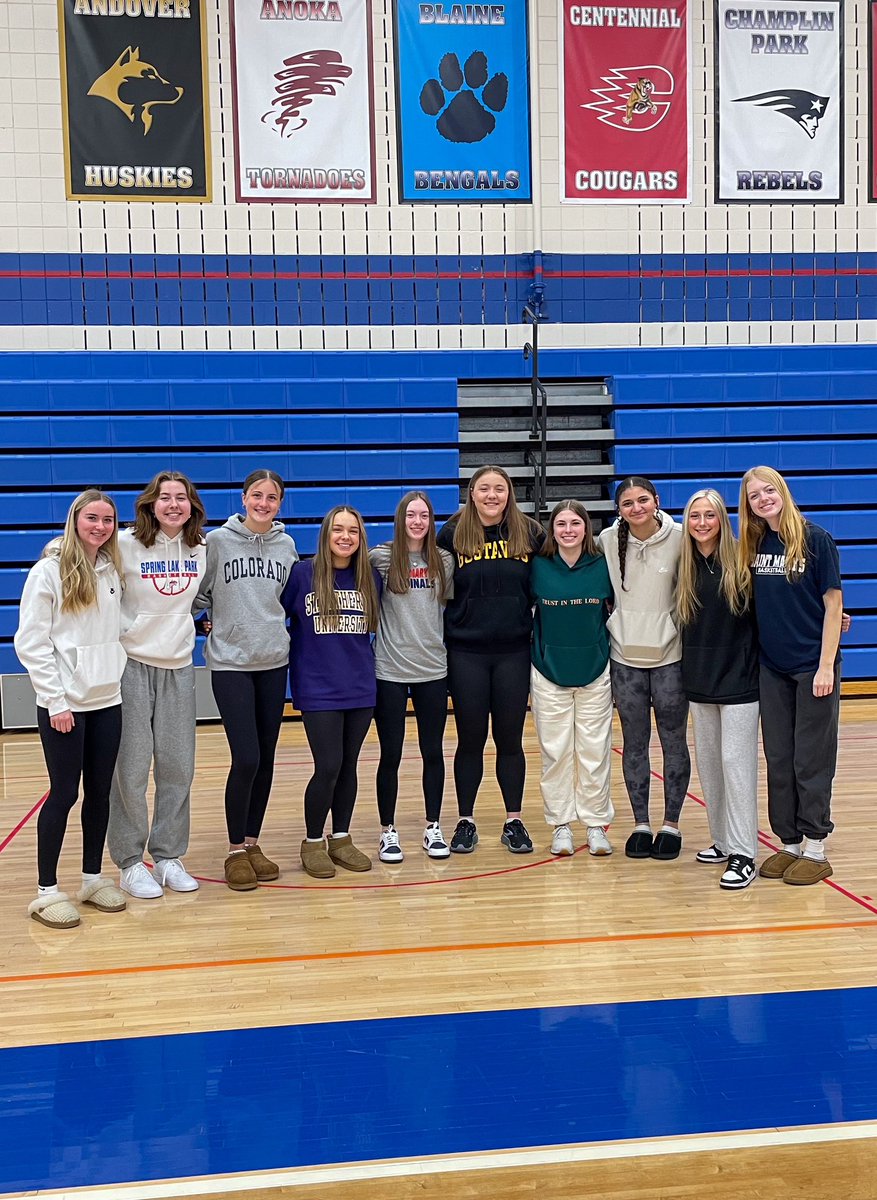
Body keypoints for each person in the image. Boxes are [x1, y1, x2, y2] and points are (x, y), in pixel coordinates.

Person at [15, 490, 128, 928]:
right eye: (92, 518)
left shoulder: (111, 571)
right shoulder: (49, 571)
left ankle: (93, 878)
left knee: (100, 795)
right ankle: (46, 892)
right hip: (64, 706)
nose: (100, 526)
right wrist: (56, 700)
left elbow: (118, 627)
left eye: (107, 520)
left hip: (107, 700)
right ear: (75, 520)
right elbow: (31, 643)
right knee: (64, 794)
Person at [739, 466, 843, 885]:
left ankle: (816, 846)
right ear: (747, 505)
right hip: (772, 667)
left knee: (810, 759)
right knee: (779, 759)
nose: (763, 499)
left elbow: (833, 605)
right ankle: (790, 842)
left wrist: (824, 665)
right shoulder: (755, 543)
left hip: (812, 667)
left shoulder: (815, 539)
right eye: (754, 495)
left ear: (782, 490)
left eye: (768, 490)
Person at [194, 470, 298, 892]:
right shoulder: (217, 542)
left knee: (268, 758)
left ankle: (253, 843)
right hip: (231, 663)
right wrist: (205, 621)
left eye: (272, 497)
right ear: (243, 497)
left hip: (274, 661)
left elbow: (287, 599)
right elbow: (195, 594)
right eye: (257, 495)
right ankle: (235, 848)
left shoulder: (287, 546)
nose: (264, 503)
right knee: (248, 757)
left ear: (280, 503)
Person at [107, 472, 207, 899]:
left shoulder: (202, 547)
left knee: (177, 767)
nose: (172, 505)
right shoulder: (126, 544)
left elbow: (209, 595)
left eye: (180, 498)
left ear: (192, 506)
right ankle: (130, 861)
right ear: (150, 504)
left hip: (179, 666)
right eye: (164, 497)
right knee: (130, 768)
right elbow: (79, 552)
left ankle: (167, 855)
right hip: (131, 665)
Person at [436, 465, 543, 855]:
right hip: (466, 653)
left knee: (510, 740)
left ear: (509, 493)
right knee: (471, 740)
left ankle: (513, 821)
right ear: (472, 493)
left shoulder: (529, 532)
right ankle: (465, 821)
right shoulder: (451, 533)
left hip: (514, 651)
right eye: (484, 489)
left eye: (499, 489)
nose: (492, 495)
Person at [283, 506, 382, 879]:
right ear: (325, 534)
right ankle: (312, 842)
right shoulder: (302, 575)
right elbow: (269, 614)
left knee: (349, 766)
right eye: (338, 530)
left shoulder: (369, 577)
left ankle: (340, 837)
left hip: (360, 686)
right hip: (317, 687)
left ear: (360, 538)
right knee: (327, 766)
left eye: (352, 532)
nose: (345, 537)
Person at [597, 476, 689, 861]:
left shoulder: (682, 537)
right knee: (634, 744)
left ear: (656, 501)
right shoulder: (605, 540)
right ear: (619, 509)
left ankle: (671, 824)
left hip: (671, 658)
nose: (636, 508)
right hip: (624, 659)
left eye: (642, 500)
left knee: (673, 742)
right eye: (627, 503)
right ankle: (640, 823)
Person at [677, 490, 759, 890]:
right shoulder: (685, 565)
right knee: (710, 765)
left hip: (741, 680)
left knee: (735, 764)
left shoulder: (743, 560)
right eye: (695, 516)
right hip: (699, 679)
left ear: (722, 520)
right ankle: (723, 840)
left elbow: (781, 603)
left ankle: (745, 852)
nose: (703, 523)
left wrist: (830, 617)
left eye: (710, 515)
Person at [370, 491, 454, 862]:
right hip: (388, 669)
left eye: (424, 515)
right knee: (390, 754)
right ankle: (387, 830)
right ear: (400, 519)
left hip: (433, 669)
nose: (417, 521)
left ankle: (433, 826)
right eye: (411, 515)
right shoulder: (381, 558)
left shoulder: (445, 562)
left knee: (432, 751)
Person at [530, 500, 615, 858]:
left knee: (595, 753)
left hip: (595, 671)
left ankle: (596, 825)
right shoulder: (538, 567)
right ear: (552, 530)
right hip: (549, 673)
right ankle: (561, 825)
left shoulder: (602, 565)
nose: (568, 530)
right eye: (561, 524)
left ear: (586, 528)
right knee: (556, 753)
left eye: (575, 523)